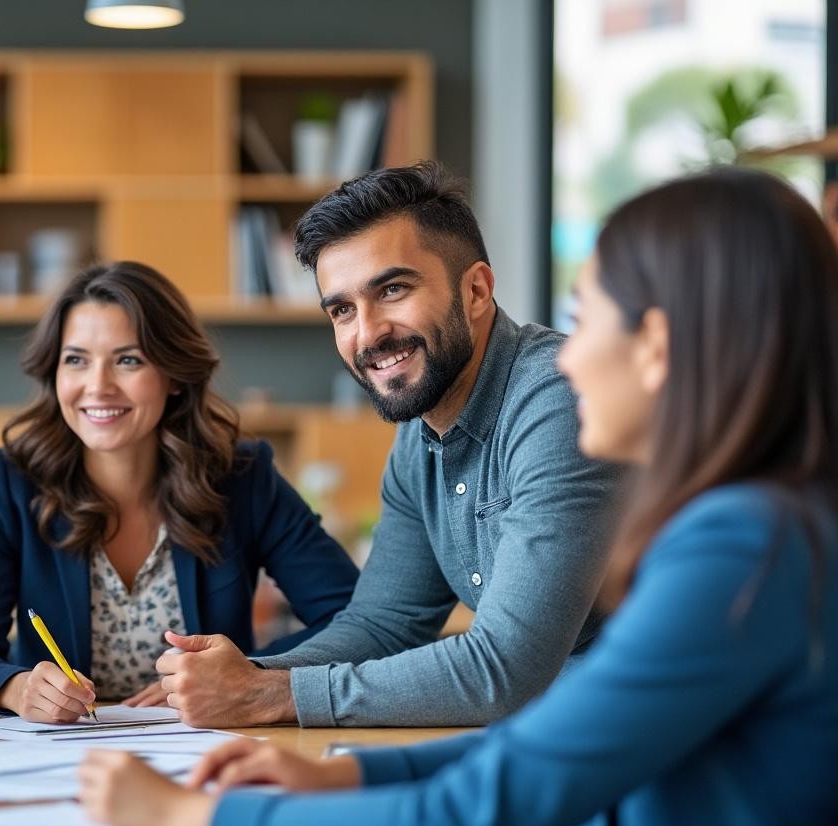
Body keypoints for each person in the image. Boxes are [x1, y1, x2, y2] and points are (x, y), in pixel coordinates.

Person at [77, 167, 838, 826]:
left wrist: (202, 815)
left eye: (583, 320)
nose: (568, 355)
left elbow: (501, 763)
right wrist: (323, 750)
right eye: (340, 308)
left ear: (658, 346)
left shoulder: (742, 545)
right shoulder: (755, 525)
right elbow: (501, 714)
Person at [152, 162, 620, 729]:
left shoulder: (558, 401)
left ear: (475, 290)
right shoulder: (419, 436)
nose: (367, 333)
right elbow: (381, 626)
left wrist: (271, 695)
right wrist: (243, 677)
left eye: (392, 289)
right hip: (565, 742)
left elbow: (503, 669)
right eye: (342, 309)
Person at [0, 261, 359, 722]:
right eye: (76, 359)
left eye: (128, 360)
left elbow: (353, 619)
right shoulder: (10, 483)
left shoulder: (242, 477)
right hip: (63, 757)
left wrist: (242, 676)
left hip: (207, 751)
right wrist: (16, 689)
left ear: (173, 375)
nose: (98, 386)